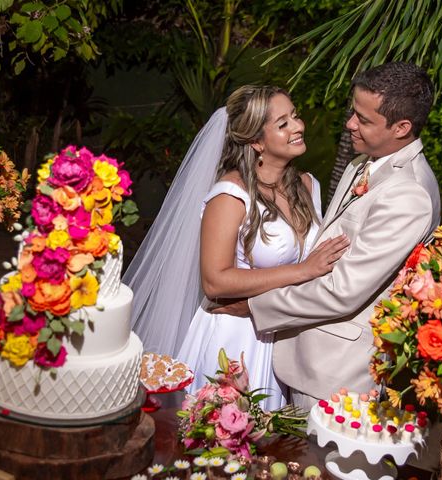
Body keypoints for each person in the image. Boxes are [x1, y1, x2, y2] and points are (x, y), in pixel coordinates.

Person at [214, 62, 441, 410]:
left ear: (402, 127)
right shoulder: (362, 163)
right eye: (354, 112)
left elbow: (342, 291)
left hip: (336, 374)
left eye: (364, 120)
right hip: (300, 355)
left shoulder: (408, 194)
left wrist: (254, 305)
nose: (350, 123)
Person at [125, 85, 348, 410]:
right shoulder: (230, 195)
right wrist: (302, 270)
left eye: (295, 116)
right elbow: (215, 281)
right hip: (235, 340)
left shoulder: (309, 186)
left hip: (289, 337)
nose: (298, 127)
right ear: (257, 141)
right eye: (282, 123)